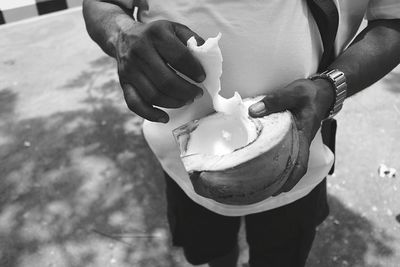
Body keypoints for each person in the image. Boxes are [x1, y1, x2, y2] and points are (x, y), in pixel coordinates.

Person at [82, 0, 400, 266]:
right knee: (214, 251)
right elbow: (102, 4)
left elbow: (393, 20)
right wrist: (121, 33)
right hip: (186, 165)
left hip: (296, 158)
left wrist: (329, 89)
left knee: (283, 256)